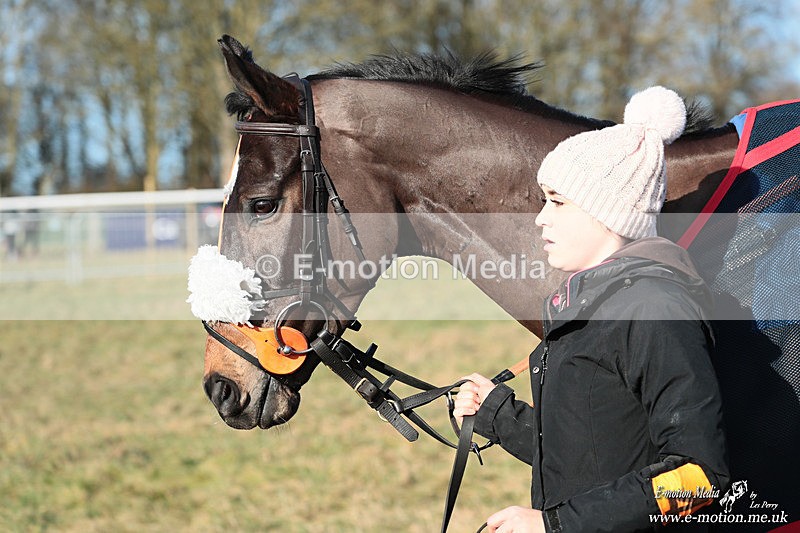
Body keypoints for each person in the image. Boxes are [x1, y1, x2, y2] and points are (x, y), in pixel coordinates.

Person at [453, 87, 729, 532]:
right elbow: (592, 453)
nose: (541, 218)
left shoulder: (654, 309)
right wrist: (498, 416)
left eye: (558, 201)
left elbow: (697, 479)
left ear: (610, 213)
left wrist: (552, 525)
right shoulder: (586, 304)